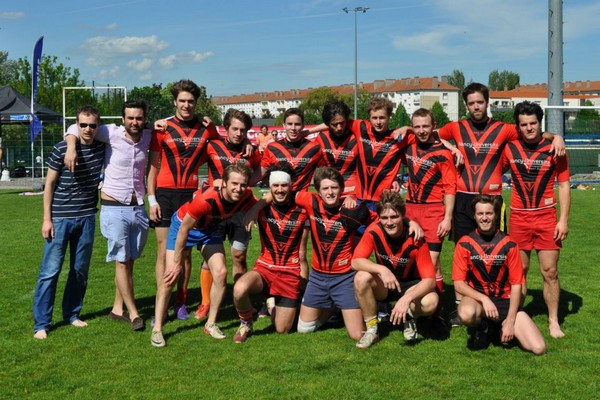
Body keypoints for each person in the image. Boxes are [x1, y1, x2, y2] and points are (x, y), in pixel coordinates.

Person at [437, 82, 566, 326]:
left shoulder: (504, 129)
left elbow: (533, 133)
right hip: (463, 198)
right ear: (466, 105)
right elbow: (430, 134)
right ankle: (460, 308)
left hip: (493, 201)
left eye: (480, 102)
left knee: (495, 253)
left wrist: (556, 135)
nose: (476, 106)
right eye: (471, 103)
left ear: (487, 102)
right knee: (463, 252)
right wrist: (451, 146)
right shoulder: (455, 127)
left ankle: (499, 302)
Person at [151, 162, 263, 347]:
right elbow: (184, 230)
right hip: (182, 228)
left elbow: (263, 200)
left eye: (243, 184)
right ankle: (157, 329)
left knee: (220, 273)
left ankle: (210, 324)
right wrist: (177, 262)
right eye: (234, 184)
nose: (239, 188)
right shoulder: (207, 198)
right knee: (170, 276)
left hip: (209, 231)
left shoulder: (246, 195)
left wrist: (253, 212)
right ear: (224, 183)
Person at [65, 100, 152, 332]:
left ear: (144, 119)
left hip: (138, 207)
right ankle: (134, 314)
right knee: (121, 261)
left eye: (139, 118)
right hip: (114, 207)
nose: (135, 122)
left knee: (129, 262)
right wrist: (71, 148)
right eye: (130, 118)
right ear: (123, 119)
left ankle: (116, 309)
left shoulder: (149, 137)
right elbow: (76, 127)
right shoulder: (110, 133)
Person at [147, 79, 220, 321]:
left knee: (185, 252)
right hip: (165, 193)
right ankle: (163, 299)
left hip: (190, 194)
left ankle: (181, 301)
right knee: (163, 251)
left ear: (196, 103)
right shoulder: (162, 127)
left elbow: (223, 149)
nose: (186, 105)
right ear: (175, 102)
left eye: (191, 101)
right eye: (182, 101)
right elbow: (153, 166)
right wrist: (151, 199)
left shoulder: (206, 127)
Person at [32, 106, 105, 340]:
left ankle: (72, 314)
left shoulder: (102, 148)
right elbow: (49, 185)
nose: (88, 129)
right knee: (50, 272)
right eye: (83, 125)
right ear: (76, 125)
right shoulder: (62, 148)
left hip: (86, 218)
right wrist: (47, 219)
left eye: (92, 125)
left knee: (79, 270)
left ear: (98, 127)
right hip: (60, 219)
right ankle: (42, 323)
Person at [503, 101, 570, 338]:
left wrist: (563, 220)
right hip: (519, 217)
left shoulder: (555, 148)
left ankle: (553, 321)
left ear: (539, 123)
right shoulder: (509, 148)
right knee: (519, 270)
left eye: (533, 123)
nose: (529, 128)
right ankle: (517, 315)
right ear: (518, 126)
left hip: (546, 217)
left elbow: (563, 185)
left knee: (550, 271)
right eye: (524, 124)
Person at [452, 194, 546, 354]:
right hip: (478, 301)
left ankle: (502, 325)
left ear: (496, 215)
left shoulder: (509, 244)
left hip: (505, 301)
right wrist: (484, 299)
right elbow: (459, 284)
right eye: (480, 214)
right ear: (474, 216)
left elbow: (517, 284)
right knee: (466, 313)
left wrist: (510, 321)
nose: (484, 218)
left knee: (539, 348)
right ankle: (483, 327)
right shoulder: (464, 243)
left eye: (489, 213)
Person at [195, 108, 261, 320]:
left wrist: (250, 184)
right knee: (211, 259)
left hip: (241, 212)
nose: (238, 133)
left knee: (239, 256)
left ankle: (239, 299)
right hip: (215, 211)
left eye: (243, 130)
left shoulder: (252, 151)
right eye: (235, 128)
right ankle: (205, 302)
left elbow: (261, 170)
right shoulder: (213, 145)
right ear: (226, 128)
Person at [231, 163, 308, 343]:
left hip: (290, 273)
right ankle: (246, 324)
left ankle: (272, 306)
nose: (280, 190)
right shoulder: (259, 206)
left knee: (282, 330)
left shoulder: (303, 209)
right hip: (265, 268)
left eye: (284, 185)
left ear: (291, 186)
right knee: (239, 289)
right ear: (270, 187)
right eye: (276, 185)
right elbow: (234, 194)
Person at [352, 190, 438, 348]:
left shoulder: (416, 237)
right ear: (379, 218)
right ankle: (372, 330)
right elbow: (356, 261)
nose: (389, 222)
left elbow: (430, 280)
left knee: (431, 302)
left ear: (403, 216)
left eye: (394, 217)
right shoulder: (374, 230)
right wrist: (381, 269)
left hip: (411, 285)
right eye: (384, 218)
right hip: (386, 285)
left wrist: (407, 298)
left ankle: (410, 317)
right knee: (361, 277)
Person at [294, 167, 372, 341]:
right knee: (303, 329)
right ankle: (332, 307)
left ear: (341, 189)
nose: (330, 192)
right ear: (318, 191)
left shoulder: (352, 210)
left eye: (334, 188)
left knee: (357, 335)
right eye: (325, 188)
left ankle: (344, 304)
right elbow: (285, 193)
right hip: (317, 277)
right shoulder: (309, 201)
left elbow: (383, 217)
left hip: (344, 278)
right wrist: (257, 207)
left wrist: (409, 222)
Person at [401, 108, 456, 327]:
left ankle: (433, 314)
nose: (422, 131)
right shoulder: (408, 143)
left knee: (431, 264)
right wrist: (405, 128)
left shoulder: (443, 153)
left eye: (426, 126)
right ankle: (415, 306)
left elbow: (450, 188)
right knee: (411, 260)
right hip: (409, 211)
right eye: (417, 126)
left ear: (434, 126)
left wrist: (447, 218)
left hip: (434, 212)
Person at [261, 108, 322, 284]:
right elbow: (261, 174)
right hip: (276, 207)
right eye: (290, 124)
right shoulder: (273, 147)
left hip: (301, 207)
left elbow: (325, 173)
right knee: (273, 253)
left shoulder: (314, 148)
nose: (293, 128)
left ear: (303, 126)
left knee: (301, 253)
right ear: (283, 125)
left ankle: (301, 295)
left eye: (297, 124)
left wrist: (310, 131)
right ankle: (271, 294)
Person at [315, 100, 358, 196]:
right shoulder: (321, 138)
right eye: (334, 124)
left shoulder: (357, 137)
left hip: (353, 193)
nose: (339, 127)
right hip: (330, 193)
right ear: (327, 124)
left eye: (342, 123)